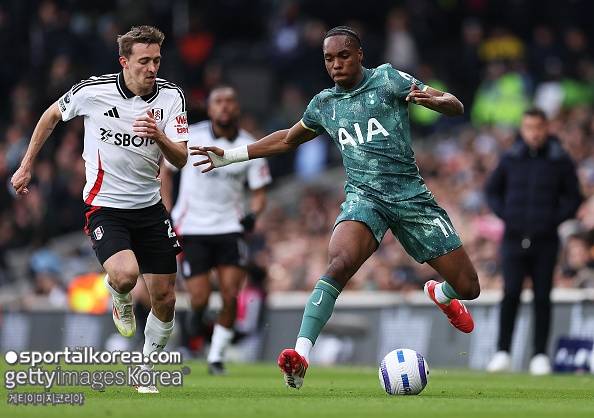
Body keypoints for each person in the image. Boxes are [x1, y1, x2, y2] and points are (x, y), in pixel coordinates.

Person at [192, 26, 480, 389]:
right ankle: (300, 356)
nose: (336, 64)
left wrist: (438, 102)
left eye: (343, 56)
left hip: (411, 198)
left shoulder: (388, 79)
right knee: (339, 263)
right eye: (329, 58)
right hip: (364, 199)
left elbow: (454, 105)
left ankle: (441, 294)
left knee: (469, 287)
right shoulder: (324, 104)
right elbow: (287, 139)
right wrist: (230, 156)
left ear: (359, 55)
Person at [11, 25, 189, 393]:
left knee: (166, 299)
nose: (152, 68)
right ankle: (119, 294)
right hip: (105, 207)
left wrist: (159, 136)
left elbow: (181, 158)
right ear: (124, 62)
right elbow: (50, 116)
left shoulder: (172, 97)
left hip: (150, 209)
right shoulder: (92, 91)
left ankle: (145, 367)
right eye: (144, 61)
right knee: (125, 276)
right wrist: (27, 165)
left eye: (156, 60)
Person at [161, 86, 271, 375]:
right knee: (199, 297)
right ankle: (195, 320)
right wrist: (167, 209)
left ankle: (216, 357)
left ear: (237, 108)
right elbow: (166, 172)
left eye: (229, 101)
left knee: (230, 295)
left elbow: (259, 193)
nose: (224, 106)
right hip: (192, 228)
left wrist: (253, 214)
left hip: (230, 228)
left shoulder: (250, 146)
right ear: (209, 109)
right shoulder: (190, 137)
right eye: (218, 102)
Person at [485, 108, 582, 375]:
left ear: (546, 128)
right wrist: (507, 215)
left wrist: (553, 220)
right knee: (510, 294)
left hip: (545, 240)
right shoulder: (510, 158)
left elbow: (574, 197)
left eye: (538, 127)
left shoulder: (559, 160)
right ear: (522, 129)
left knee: (542, 297)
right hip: (513, 238)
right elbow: (492, 191)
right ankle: (503, 352)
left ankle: (539, 354)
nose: (534, 133)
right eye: (529, 127)